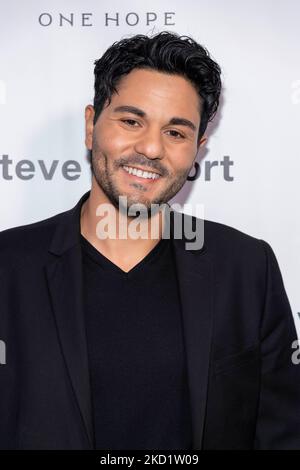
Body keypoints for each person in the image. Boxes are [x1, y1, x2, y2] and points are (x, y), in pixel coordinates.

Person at [0, 30, 299, 450]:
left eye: (176, 132)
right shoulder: (8, 267)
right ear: (91, 125)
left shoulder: (247, 268)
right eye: (131, 121)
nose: (151, 148)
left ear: (198, 147)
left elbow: (282, 433)